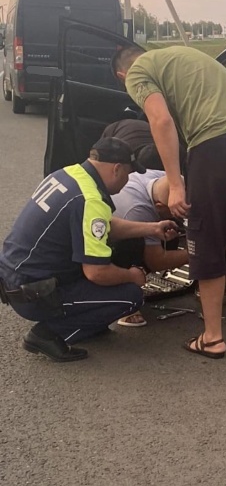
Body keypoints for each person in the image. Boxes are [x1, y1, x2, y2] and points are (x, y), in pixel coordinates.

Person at [111, 45, 226, 359]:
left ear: (122, 75)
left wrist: (175, 184)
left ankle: (212, 337)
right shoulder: (182, 56)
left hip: (216, 145)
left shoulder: (138, 72)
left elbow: (160, 121)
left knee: (205, 234)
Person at [0, 138, 178, 362]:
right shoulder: (89, 200)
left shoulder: (68, 174)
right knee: (130, 297)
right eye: (128, 173)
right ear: (116, 169)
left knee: (122, 255)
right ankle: (47, 335)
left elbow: (105, 225)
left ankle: (89, 321)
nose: (128, 180)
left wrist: (151, 228)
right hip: (36, 293)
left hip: (16, 277)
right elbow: (96, 273)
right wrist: (133, 275)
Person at [111, 169, 226, 327]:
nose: (183, 215)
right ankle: (124, 301)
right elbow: (156, 261)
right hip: (109, 247)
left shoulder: (167, 179)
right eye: (177, 211)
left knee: (169, 228)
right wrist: (198, 252)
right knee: (136, 245)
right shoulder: (138, 211)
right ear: (159, 206)